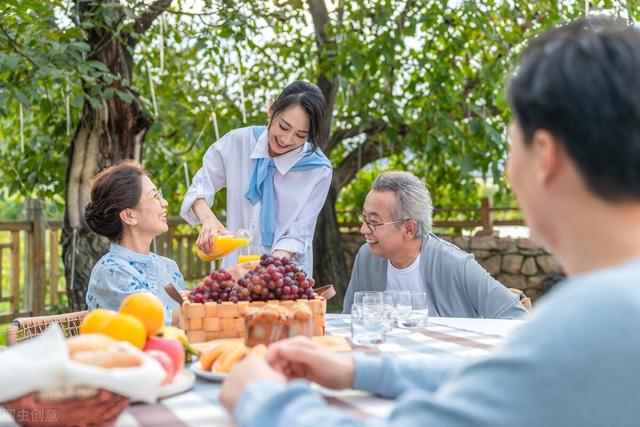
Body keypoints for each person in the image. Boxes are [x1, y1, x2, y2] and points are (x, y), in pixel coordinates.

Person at [219, 16, 640, 426]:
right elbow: (499, 382)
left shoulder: (595, 318)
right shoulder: (614, 307)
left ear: (545, 156)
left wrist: (261, 399)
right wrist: (358, 371)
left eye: (512, 143)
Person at [180, 81, 332, 275]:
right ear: (271, 110)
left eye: (300, 136)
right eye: (283, 127)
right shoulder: (238, 142)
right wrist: (208, 220)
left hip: (284, 277)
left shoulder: (318, 170)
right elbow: (199, 188)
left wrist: (267, 271)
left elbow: (298, 234)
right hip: (235, 272)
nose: (286, 140)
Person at [342, 171, 527, 319]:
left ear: (409, 228)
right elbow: (348, 320)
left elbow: (516, 317)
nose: (363, 229)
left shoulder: (456, 265)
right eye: (364, 218)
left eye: (374, 221)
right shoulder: (366, 258)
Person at [85, 161, 185, 325]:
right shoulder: (110, 272)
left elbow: (190, 322)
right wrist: (210, 293)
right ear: (129, 216)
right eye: (154, 196)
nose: (164, 202)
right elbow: (155, 324)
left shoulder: (169, 267)